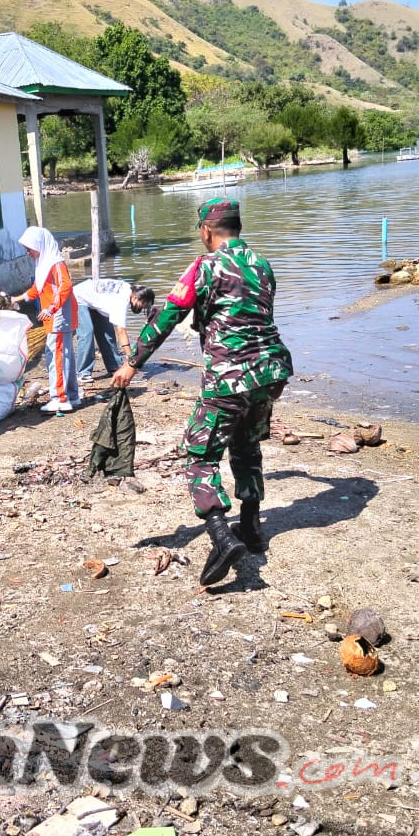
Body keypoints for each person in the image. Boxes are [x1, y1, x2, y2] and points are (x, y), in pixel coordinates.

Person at [111, 198, 294, 586]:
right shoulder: (262, 264)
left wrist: (132, 363)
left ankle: (221, 534)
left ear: (207, 231)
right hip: (271, 372)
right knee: (247, 443)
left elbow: (166, 317)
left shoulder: (205, 266)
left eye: (200, 231)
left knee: (199, 453)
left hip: (230, 374)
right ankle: (252, 528)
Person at [13, 226, 79, 413]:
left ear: (40, 245)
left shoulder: (56, 263)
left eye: (30, 248)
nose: (28, 252)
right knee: (65, 355)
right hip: (56, 315)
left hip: (58, 316)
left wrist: (51, 309)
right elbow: (37, 289)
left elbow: (65, 286)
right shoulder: (44, 264)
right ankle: (72, 395)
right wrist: (16, 299)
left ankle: (60, 398)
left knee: (56, 355)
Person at [73, 278, 155, 386]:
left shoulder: (129, 289)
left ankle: (114, 367)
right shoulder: (121, 301)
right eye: (143, 304)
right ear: (135, 297)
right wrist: (131, 359)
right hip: (77, 297)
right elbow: (121, 331)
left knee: (108, 334)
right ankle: (83, 373)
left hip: (94, 300)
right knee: (87, 333)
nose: (142, 307)